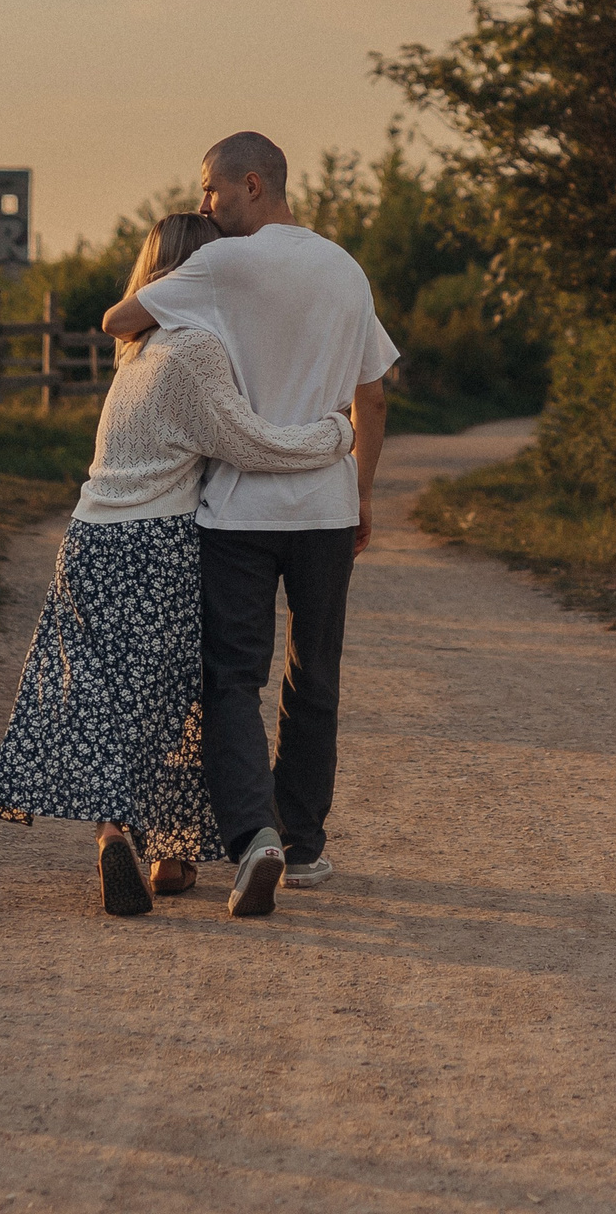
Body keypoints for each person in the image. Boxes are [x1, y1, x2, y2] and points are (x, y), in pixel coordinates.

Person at [0, 212, 358, 919]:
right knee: (171, 707)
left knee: (112, 705)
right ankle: (162, 844)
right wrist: (336, 435)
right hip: (154, 551)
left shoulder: (136, 358)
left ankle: (137, 840)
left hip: (85, 544)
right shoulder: (195, 350)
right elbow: (250, 444)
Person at [101, 131, 395, 918]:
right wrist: (361, 490)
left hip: (238, 512)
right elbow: (373, 395)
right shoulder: (345, 268)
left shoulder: (223, 264)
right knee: (315, 675)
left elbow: (122, 317)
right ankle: (301, 846)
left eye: (212, 191)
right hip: (326, 508)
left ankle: (252, 835)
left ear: (253, 185)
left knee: (233, 678)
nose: (205, 205)